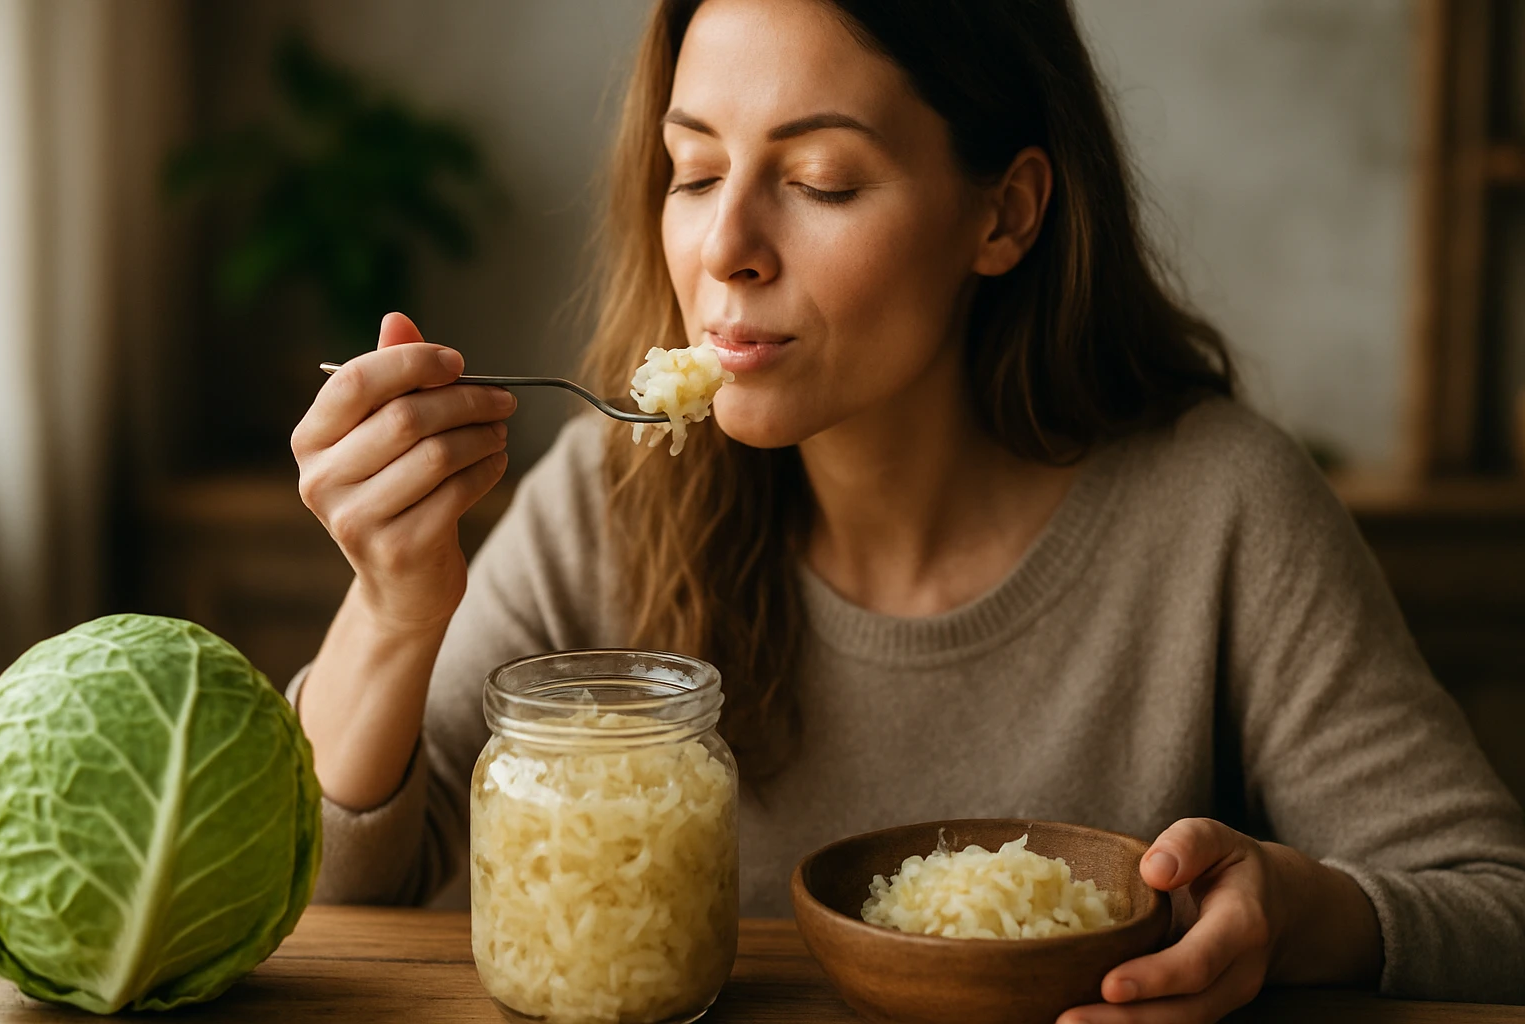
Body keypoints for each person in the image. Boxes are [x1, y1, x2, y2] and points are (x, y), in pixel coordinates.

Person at [287, 0, 1525, 1019]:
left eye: (819, 181)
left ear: (1006, 213)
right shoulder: (611, 495)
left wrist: (1298, 913)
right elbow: (327, 888)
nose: (725, 246)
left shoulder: (1220, 508)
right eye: (695, 170)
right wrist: (394, 608)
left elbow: (1496, 902)